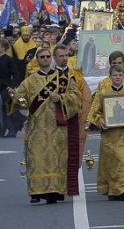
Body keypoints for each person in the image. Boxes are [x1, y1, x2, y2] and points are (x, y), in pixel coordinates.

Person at [10, 45, 83, 204]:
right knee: (37, 160)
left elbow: (76, 98)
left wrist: (61, 98)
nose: (45, 59)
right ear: (37, 60)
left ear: (51, 59)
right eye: (42, 57)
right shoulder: (29, 81)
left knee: (56, 160)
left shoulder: (63, 79)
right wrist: (15, 97)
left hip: (57, 128)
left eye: (47, 56)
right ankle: (36, 192)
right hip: (36, 129)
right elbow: (21, 100)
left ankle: (55, 192)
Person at [88, 64, 124, 200]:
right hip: (110, 135)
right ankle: (112, 189)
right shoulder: (103, 93)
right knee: (111, 161)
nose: (117, 77)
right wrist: (100, 121)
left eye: (120, 75)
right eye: (115, 75)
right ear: (110, 77)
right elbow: (95, 112)